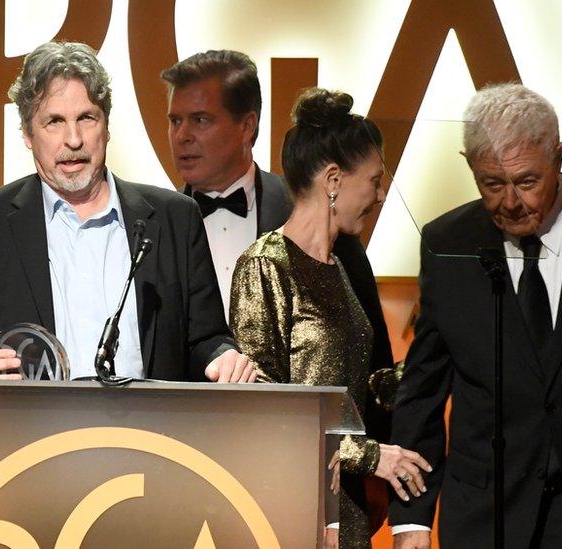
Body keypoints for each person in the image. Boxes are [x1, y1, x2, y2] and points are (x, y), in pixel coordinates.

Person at [0, 41, 252, 383]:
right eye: (54, 122)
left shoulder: (175, 217)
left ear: (107, 125)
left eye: (86, 118)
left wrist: (223, 357)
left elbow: (206, 339)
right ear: (27, 133)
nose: (73, 139)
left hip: (151, 437)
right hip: (28, 436)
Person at [162, 50, 398, 529]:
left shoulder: (323, 222)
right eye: (175, 120)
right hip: (179, 479)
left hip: (311, 492)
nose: (182, 135)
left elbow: (372, 362)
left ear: (248, 126)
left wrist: (374, 476)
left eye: (201, 119)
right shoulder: (152, 224)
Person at [230, 88, 430, 548]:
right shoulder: (267, 263)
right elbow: (264, 407)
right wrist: (370, 455)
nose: (379, 194)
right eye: (374, 180)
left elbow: (353, 385)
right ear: (335, 179)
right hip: (292, 513)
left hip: (349, 512)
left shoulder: (340, 267)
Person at [390, 84, 562, 548]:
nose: (510, 202)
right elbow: (423, 389)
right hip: (485, 515)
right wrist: (411, 519)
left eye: (527, 181)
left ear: (558, 155)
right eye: (492, 184)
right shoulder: (446, 242)